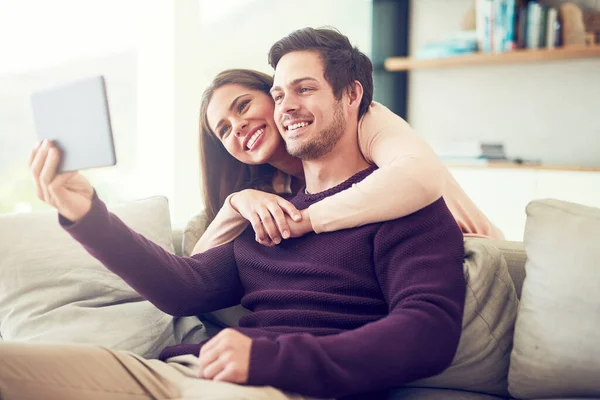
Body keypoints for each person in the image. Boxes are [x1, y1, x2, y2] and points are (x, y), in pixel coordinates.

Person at [0, 28, 466, 400]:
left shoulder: (406, 208)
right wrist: (86, 212)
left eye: (305, 89)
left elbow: (428, 334)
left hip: (279, 386)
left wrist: (268, 360)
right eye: (280, 94)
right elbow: (183, 288)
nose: (287, 107)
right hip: (181, 372)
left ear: (351, 97)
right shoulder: (270, 211)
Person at [193, 68, 503, 255]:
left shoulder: (360, 121)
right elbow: (198, 271)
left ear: (276, 97)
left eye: (244, 106)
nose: (238, 126)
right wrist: (237, 203)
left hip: (472, 255)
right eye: (224, 129)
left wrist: (307, 220)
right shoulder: (271, 190)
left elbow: (419, 175)